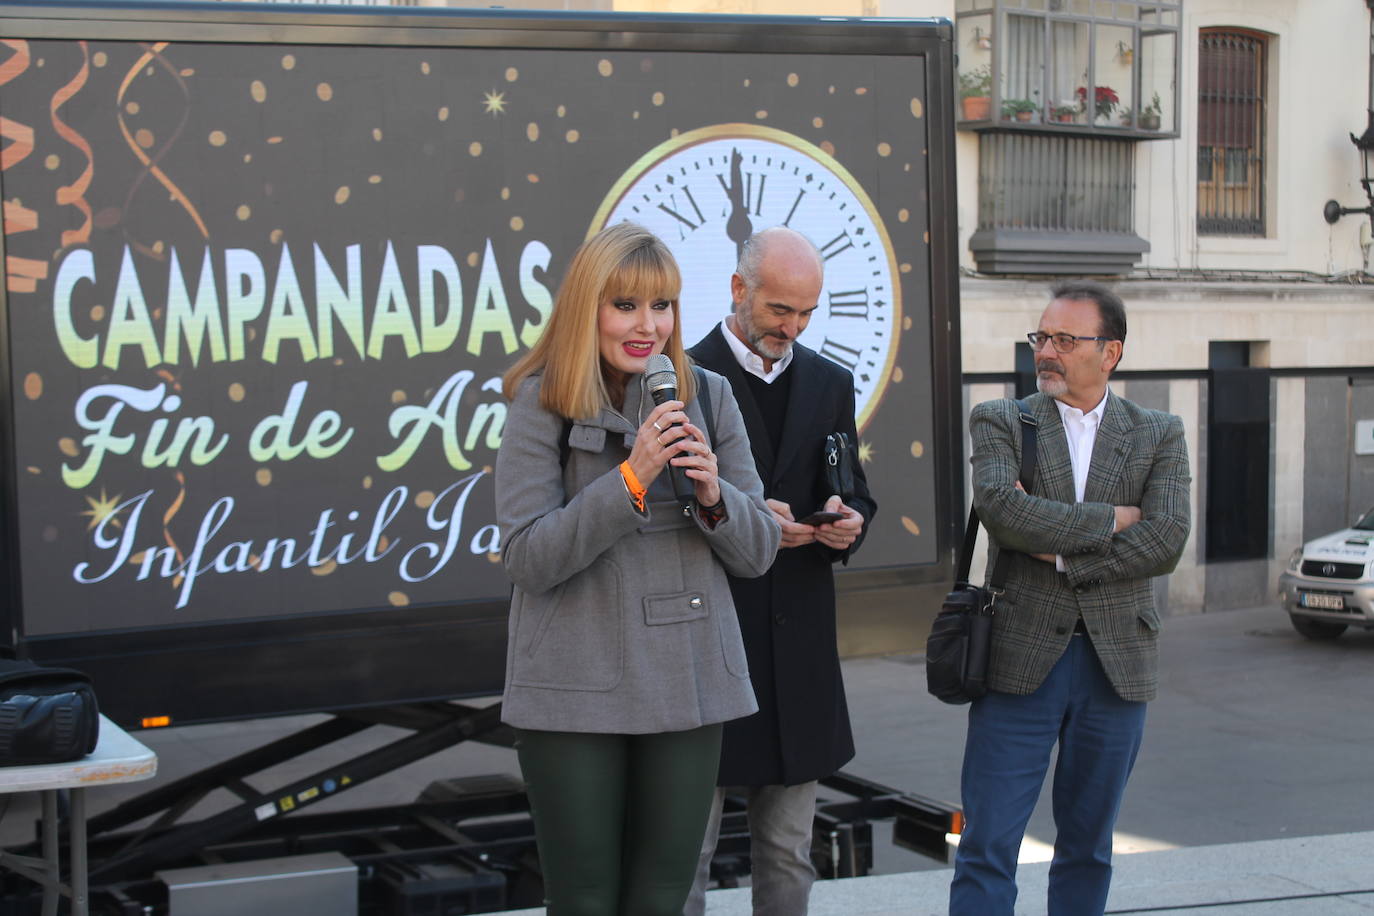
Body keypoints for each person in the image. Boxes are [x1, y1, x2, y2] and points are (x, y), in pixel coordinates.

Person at [496, 222, 781, 916]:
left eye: (662, 306)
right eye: (625, 306)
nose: (647, 327)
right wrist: (631, 478)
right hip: (573, 675)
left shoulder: (709, 394)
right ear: (586, 308)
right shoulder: (541, 400)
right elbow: (529, 557)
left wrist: (714, 494)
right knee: (585, 899)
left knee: (662, 897)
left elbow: (758, 552)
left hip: (688, 673)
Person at [949, 280, 1192, 916]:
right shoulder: (1003, 420)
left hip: (1116, 667)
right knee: (987, 846)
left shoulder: (1158, 433)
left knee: (1087, 848)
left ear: (1110, 352)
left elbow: (1166, 539)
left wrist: (1056, 550)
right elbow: (1004, 513)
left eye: (1064, 339)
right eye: (1042, 337)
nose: (1046, 351)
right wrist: (1113, 520)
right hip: (1018, 660)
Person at [685, 227, 877, 916]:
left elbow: (851, 487)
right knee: (686, 856)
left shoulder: (829, 382)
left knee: (790, 852)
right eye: (779, 310)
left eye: (806, 313)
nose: (791, 328)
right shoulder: (682, 378)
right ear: (739, 289)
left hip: (799, 651)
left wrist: (847, 520)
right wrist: (744, 519)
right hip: (708, 645)